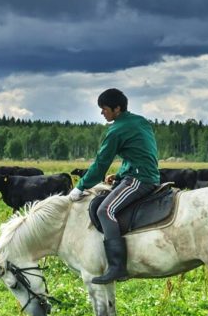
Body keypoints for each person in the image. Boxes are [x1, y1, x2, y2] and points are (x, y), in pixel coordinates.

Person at [68, 88, 160, 284]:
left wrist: (80, 187)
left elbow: (101, 163)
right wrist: (119, 175)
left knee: (105, 210)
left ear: (117, 109)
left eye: (105, 108)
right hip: (143, 174)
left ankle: (117, 267)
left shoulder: (117, 130)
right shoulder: (140, 121)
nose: (102, 113)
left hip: (139, 180)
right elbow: (140, 153)